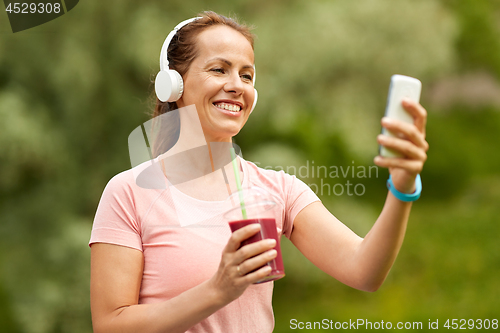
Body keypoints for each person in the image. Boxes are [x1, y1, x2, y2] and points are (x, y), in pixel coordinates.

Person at [89, 11, 429, 333]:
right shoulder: (129, 192)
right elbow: (110, 325)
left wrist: (402, 187)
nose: (237, 85)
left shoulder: (278, 190)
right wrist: (216, 291)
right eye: (219, 70)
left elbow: (364, 271)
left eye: (246, 75)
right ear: (173, 85)